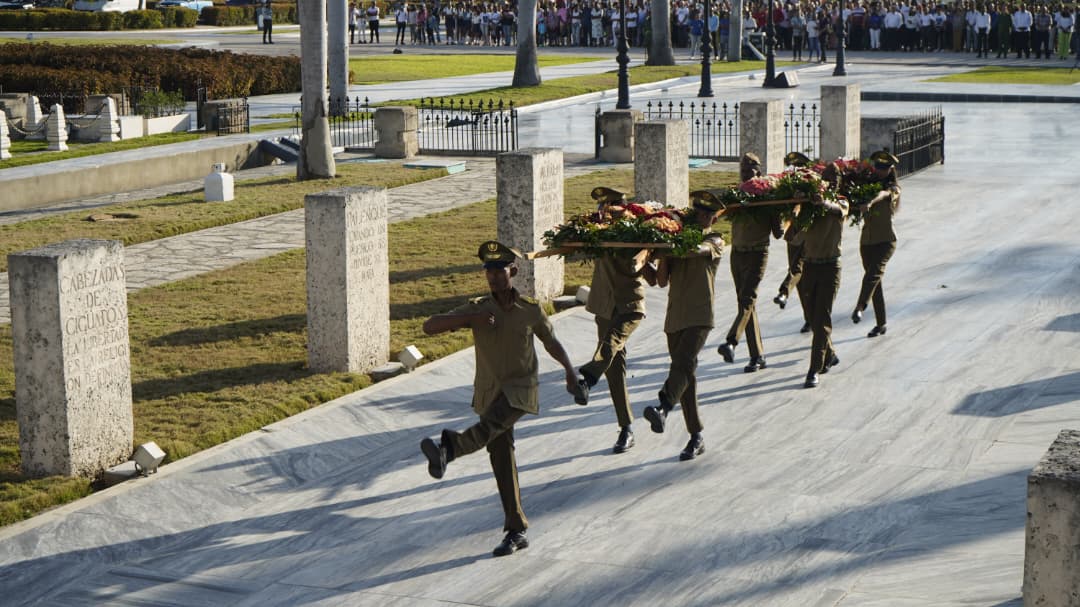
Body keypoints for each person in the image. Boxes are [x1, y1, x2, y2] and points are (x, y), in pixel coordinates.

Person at [419, 241, 581, 557]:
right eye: (488, 271)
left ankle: (448, 448)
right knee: (501, 458)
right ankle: (516, 529)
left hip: (520, 391)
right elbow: (430, 326)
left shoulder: (530, 309)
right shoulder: (478, 307)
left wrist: (570, 372)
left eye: (499, 270)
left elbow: (551, 341)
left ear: (514, 270)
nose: (493, 277)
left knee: (491, 426)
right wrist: (472, 320)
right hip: (489, 392)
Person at [641, 193, 726, 461]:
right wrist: (641, 257)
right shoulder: (674, 244)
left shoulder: (714, 241)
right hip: (674, 319)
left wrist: (667, 243)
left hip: (700, 317)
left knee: (682, 366)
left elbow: (695, 251)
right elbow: (660, 281)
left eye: (707, 214)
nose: (702, 217)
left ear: (713, 218)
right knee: (685, 377)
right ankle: (695, 435)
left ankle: (663, 407)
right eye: (698, 212)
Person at [576, 189, 648, 454]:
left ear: (623, 207)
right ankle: (626, 428)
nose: (605, 212)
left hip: (630, 305)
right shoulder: (596, 230)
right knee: (615, 369)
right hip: (604, 304)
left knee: (610, 344)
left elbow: (637, 268)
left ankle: (588, 378)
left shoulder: (639, 230)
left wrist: (639, 250)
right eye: (603, 207)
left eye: (611, 207)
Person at [717, 153, 782, 373]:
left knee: (747, 300)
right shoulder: (735, 194)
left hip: (757, 254)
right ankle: (758, 356)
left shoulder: (768, 196)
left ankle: (731, 342)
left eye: (750, 171)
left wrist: (776, 210)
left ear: (759, 172)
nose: (746, 176)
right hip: (737, 254)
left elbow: (778, 233)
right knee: (746, 305)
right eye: (743, 171)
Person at [797, 163, 849, 389]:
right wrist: (799, 202)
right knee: (812, 316)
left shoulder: (841, 202)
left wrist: (822, 202)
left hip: (830, 267)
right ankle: (829, 354)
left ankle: (813, 369)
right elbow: (792, 234)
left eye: (836, 178)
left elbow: (837, 210)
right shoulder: (810, 204)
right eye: (828, 177)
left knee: (822, 319)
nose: (832, 181)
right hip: (809, 266)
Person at [851, 151, 901, 339]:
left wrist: (870, 202)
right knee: (875, 283)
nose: (881, 172)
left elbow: (883, 194)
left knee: (872, 275)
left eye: (884, 169)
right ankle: (881, 324)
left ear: (890, 170)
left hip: (886, 241)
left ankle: (860, 307)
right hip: (867, 241)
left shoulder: (893, 187)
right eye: (878, 168)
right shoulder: (867, 183)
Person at [774, 151, 812, 335]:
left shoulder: (813, 183)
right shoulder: (786, 186)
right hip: (792, 235)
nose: (796, 171)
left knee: (797, 268)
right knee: (802, 281)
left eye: (799, 167)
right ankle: (809, 317)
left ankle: (783, 292)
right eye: (793, 168)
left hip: (808, 234)